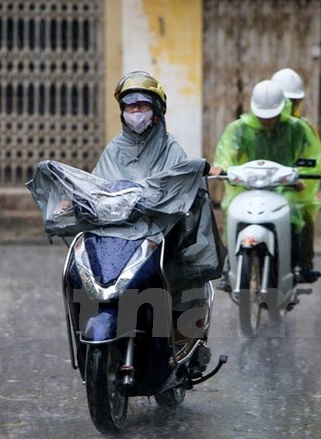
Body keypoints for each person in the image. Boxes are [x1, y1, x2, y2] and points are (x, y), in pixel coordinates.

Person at [93, 71, 222, 340]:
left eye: (142, 106)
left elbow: (180, 192)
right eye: (130, 106)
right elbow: (98, 186)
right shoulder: (114, 149)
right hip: (120, 236)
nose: (135, 112)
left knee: (177, 273)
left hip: (159, 234)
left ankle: (182, 333)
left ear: (156, 112)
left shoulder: (171, 149)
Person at [209, 79, 315, 287]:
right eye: (263, 116)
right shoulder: (239, 128)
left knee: (294, 211)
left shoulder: (295, 128)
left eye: (272, 116)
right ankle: (231, 266)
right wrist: (221, 167)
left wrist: (301, 175)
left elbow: (311, 155)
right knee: (233, 214)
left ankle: (295, 265)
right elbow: (227, 151)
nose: (267, 121)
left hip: (284, 187)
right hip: (247, 186)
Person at [271, 67, 321, 282]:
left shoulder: (303, 129)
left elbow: (313, 162)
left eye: (293, 102)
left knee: (303, 213)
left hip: (291, 187)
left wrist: (300, 178)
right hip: (261, 184)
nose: (289, 107)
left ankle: (303, 263)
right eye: (286, 101)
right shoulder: (258, 125)